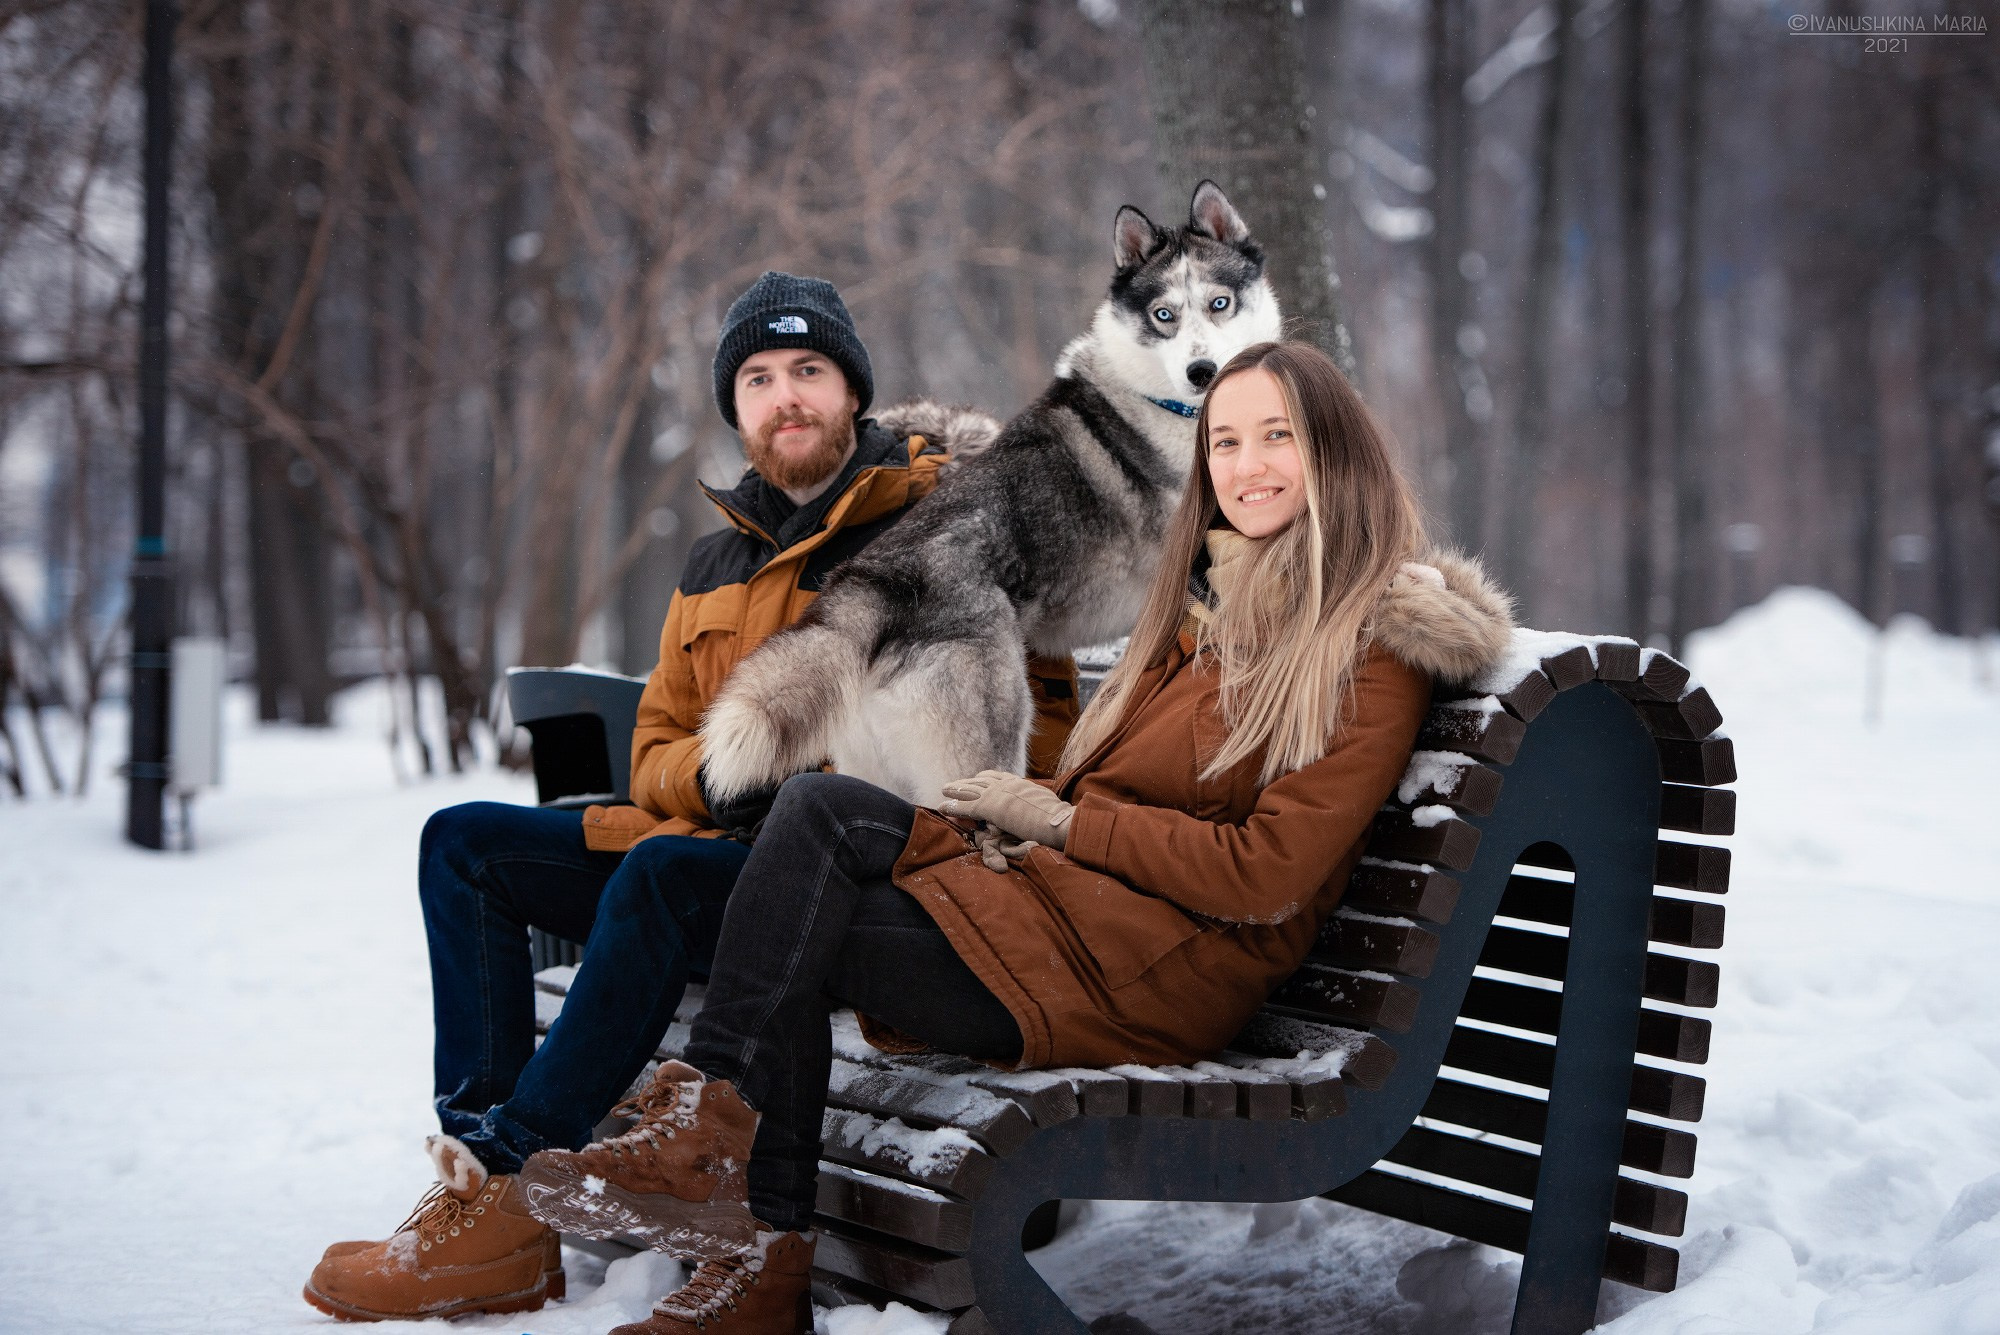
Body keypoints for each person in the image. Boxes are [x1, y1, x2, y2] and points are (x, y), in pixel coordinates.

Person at [512, 340, 1518, 1335]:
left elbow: (1268, 873)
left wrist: (1069, 823)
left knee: (797, 910)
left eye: (1275, 437)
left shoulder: (1369, 645)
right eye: (1223, 442)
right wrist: (1022, 821)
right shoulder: (1208, 605)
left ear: (1333, 450)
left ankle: (736, 1199)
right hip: (1074, 920)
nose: (1244, 466)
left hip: (1156, 973)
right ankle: (728, 1175)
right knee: (815, 818)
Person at [302, 272, 1079, 1323]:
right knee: (464, 846)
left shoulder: (946, 525)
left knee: (665, 875)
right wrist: (720, 775)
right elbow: (657, 746)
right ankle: (481, 1185)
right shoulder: (715, 559)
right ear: (734, 407)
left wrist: (835, 779)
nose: (784, 396)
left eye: (808, 370)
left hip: (855, 874)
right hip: (713, 843)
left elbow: (1036, 727)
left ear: (853, 391)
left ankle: (512, 1187)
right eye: (757, 379)